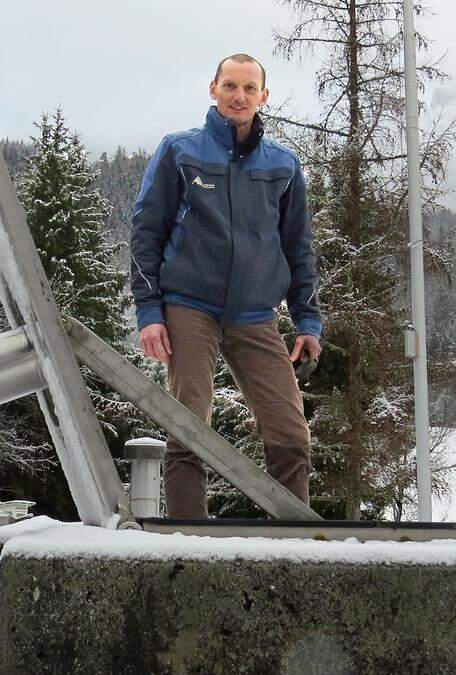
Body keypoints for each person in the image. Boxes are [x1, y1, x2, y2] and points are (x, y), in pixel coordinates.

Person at [130, 53, 322, 518]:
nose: (239, 96)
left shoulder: (283, 164)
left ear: (263, 97)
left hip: (255, 313)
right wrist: (150, 313)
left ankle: (294, 540)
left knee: (290, 433)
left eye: (249, 88)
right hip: (189, 307)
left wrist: (307, 319)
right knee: (189, 426)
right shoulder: (180, 151)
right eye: (231, 86)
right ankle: (188, 537)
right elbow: (146, 233)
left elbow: (299, 247)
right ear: (213, 89)